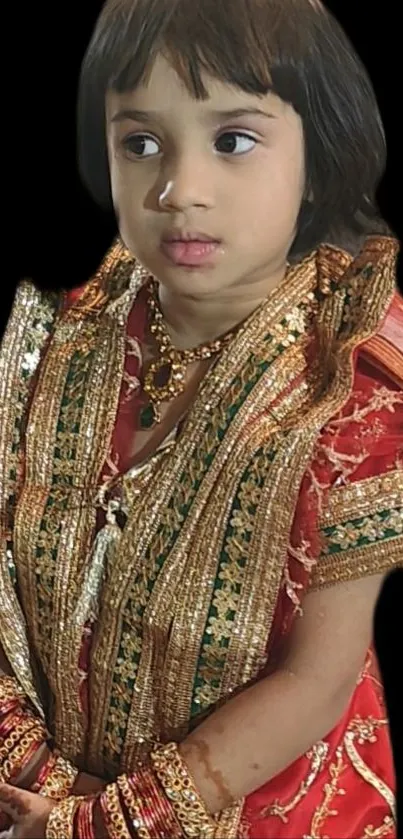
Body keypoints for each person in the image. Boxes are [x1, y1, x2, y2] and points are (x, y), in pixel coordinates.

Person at [0, 0, 402, 836]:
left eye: (233, 141)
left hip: (264, 810)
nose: (179, 189)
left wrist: (99, 822)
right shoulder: (61, 337)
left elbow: (315, 683)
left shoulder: (352, 385)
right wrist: (34, 771)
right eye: (139, 143)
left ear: (318, 159)